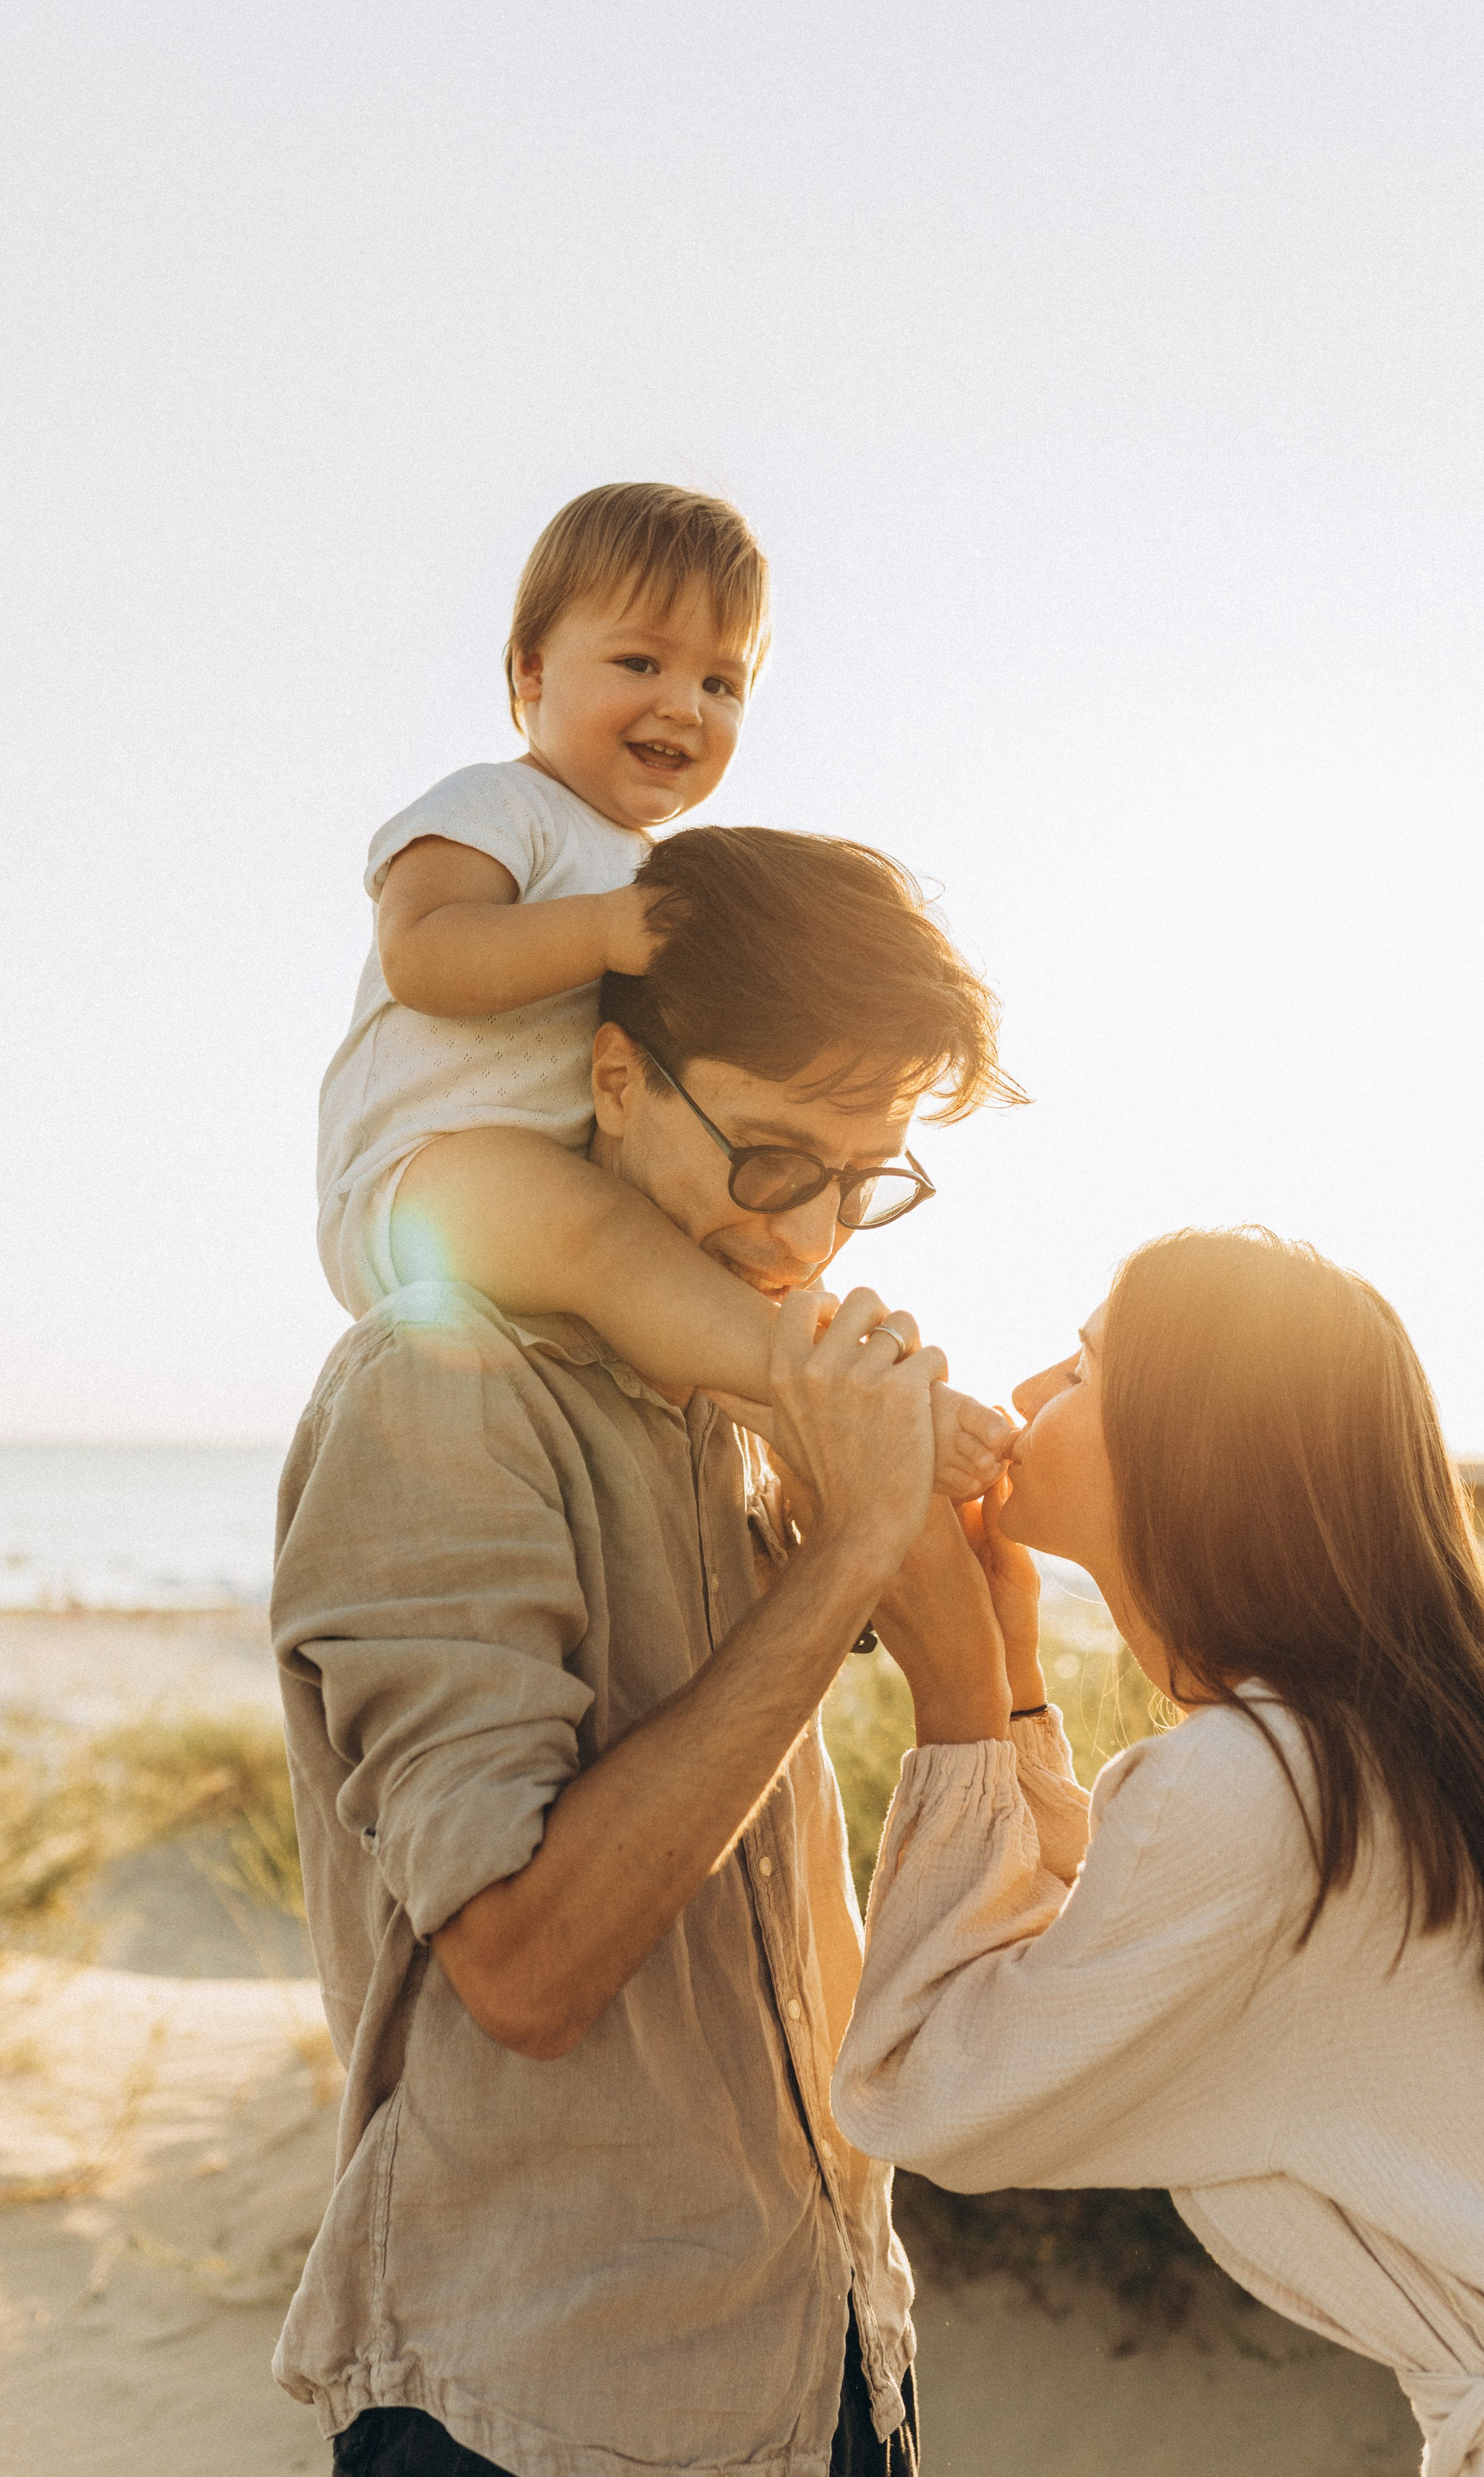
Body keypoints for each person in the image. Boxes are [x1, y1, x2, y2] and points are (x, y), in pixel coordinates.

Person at [272, 827, 1017, 2476]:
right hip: (538, 2407)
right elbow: (527, 1969)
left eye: (864, 1175)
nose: (812, 1231)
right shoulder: (439, 1386)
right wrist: (836, 1573)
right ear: (614, 1079)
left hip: (829, 2365)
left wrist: (964, 1617)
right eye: (769, 1158)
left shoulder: (740, 1411)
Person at [834, 1227, 1484, 2477]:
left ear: (1197, 1445)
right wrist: (1016, 1682)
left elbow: (925, 2086)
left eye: (1089, 1366)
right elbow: (1124, 1975)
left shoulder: (1262, 1791)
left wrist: (955, 1695)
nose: (1033, 1393)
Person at [316, 479, 1011, 1500]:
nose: (683, 705)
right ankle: (853, 1386)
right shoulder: (501, 806)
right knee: (617, 1248)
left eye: (722, 684)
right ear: (531, 672)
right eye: (640, 661)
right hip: (421, 1183)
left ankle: (851, 1428)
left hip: (570, 1200)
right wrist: (603, 931)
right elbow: (423, 950)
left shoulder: (651, 871)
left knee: (700, 1294)